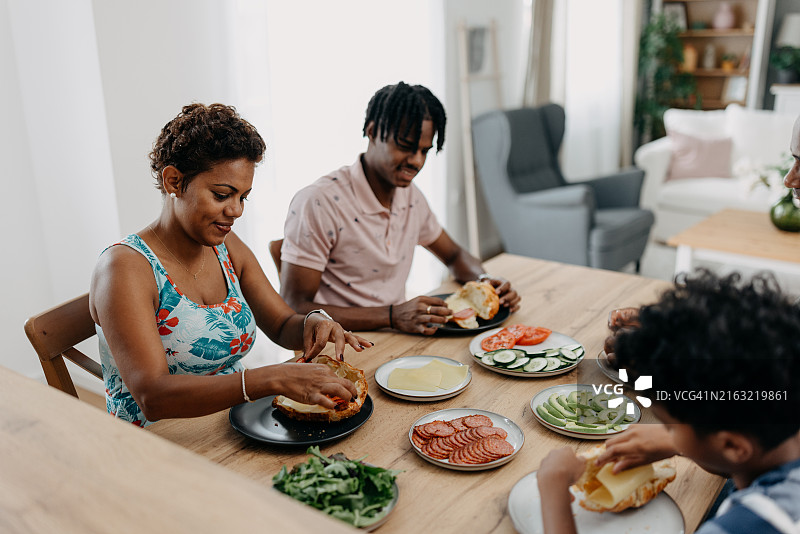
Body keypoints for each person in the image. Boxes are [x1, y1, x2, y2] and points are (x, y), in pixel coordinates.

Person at [89, 103, 371, 427]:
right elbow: (153, 396)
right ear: (174, 181)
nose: (236, 211)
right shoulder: (124, 268)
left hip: (234, 427)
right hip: (160, 447)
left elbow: (280, 325)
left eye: (243, 197)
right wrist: (270, 378)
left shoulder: (225, 247)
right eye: (222, 195)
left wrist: (314, 322)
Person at [537, 270, 800, 534]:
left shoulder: (743, 526)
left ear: (731, 444)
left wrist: (554, 489)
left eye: (670, 427)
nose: (665, 434)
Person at [279, 82, 521, 335]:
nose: (416, 161)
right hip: (340, 344)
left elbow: (454, 256)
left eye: (425, 151)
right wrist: (392, 316)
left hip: (397, 336)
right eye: (405, 146)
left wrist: (485, 283)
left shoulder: (411, 197)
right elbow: (294, 306)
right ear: (372, 132)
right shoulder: (318, 202)